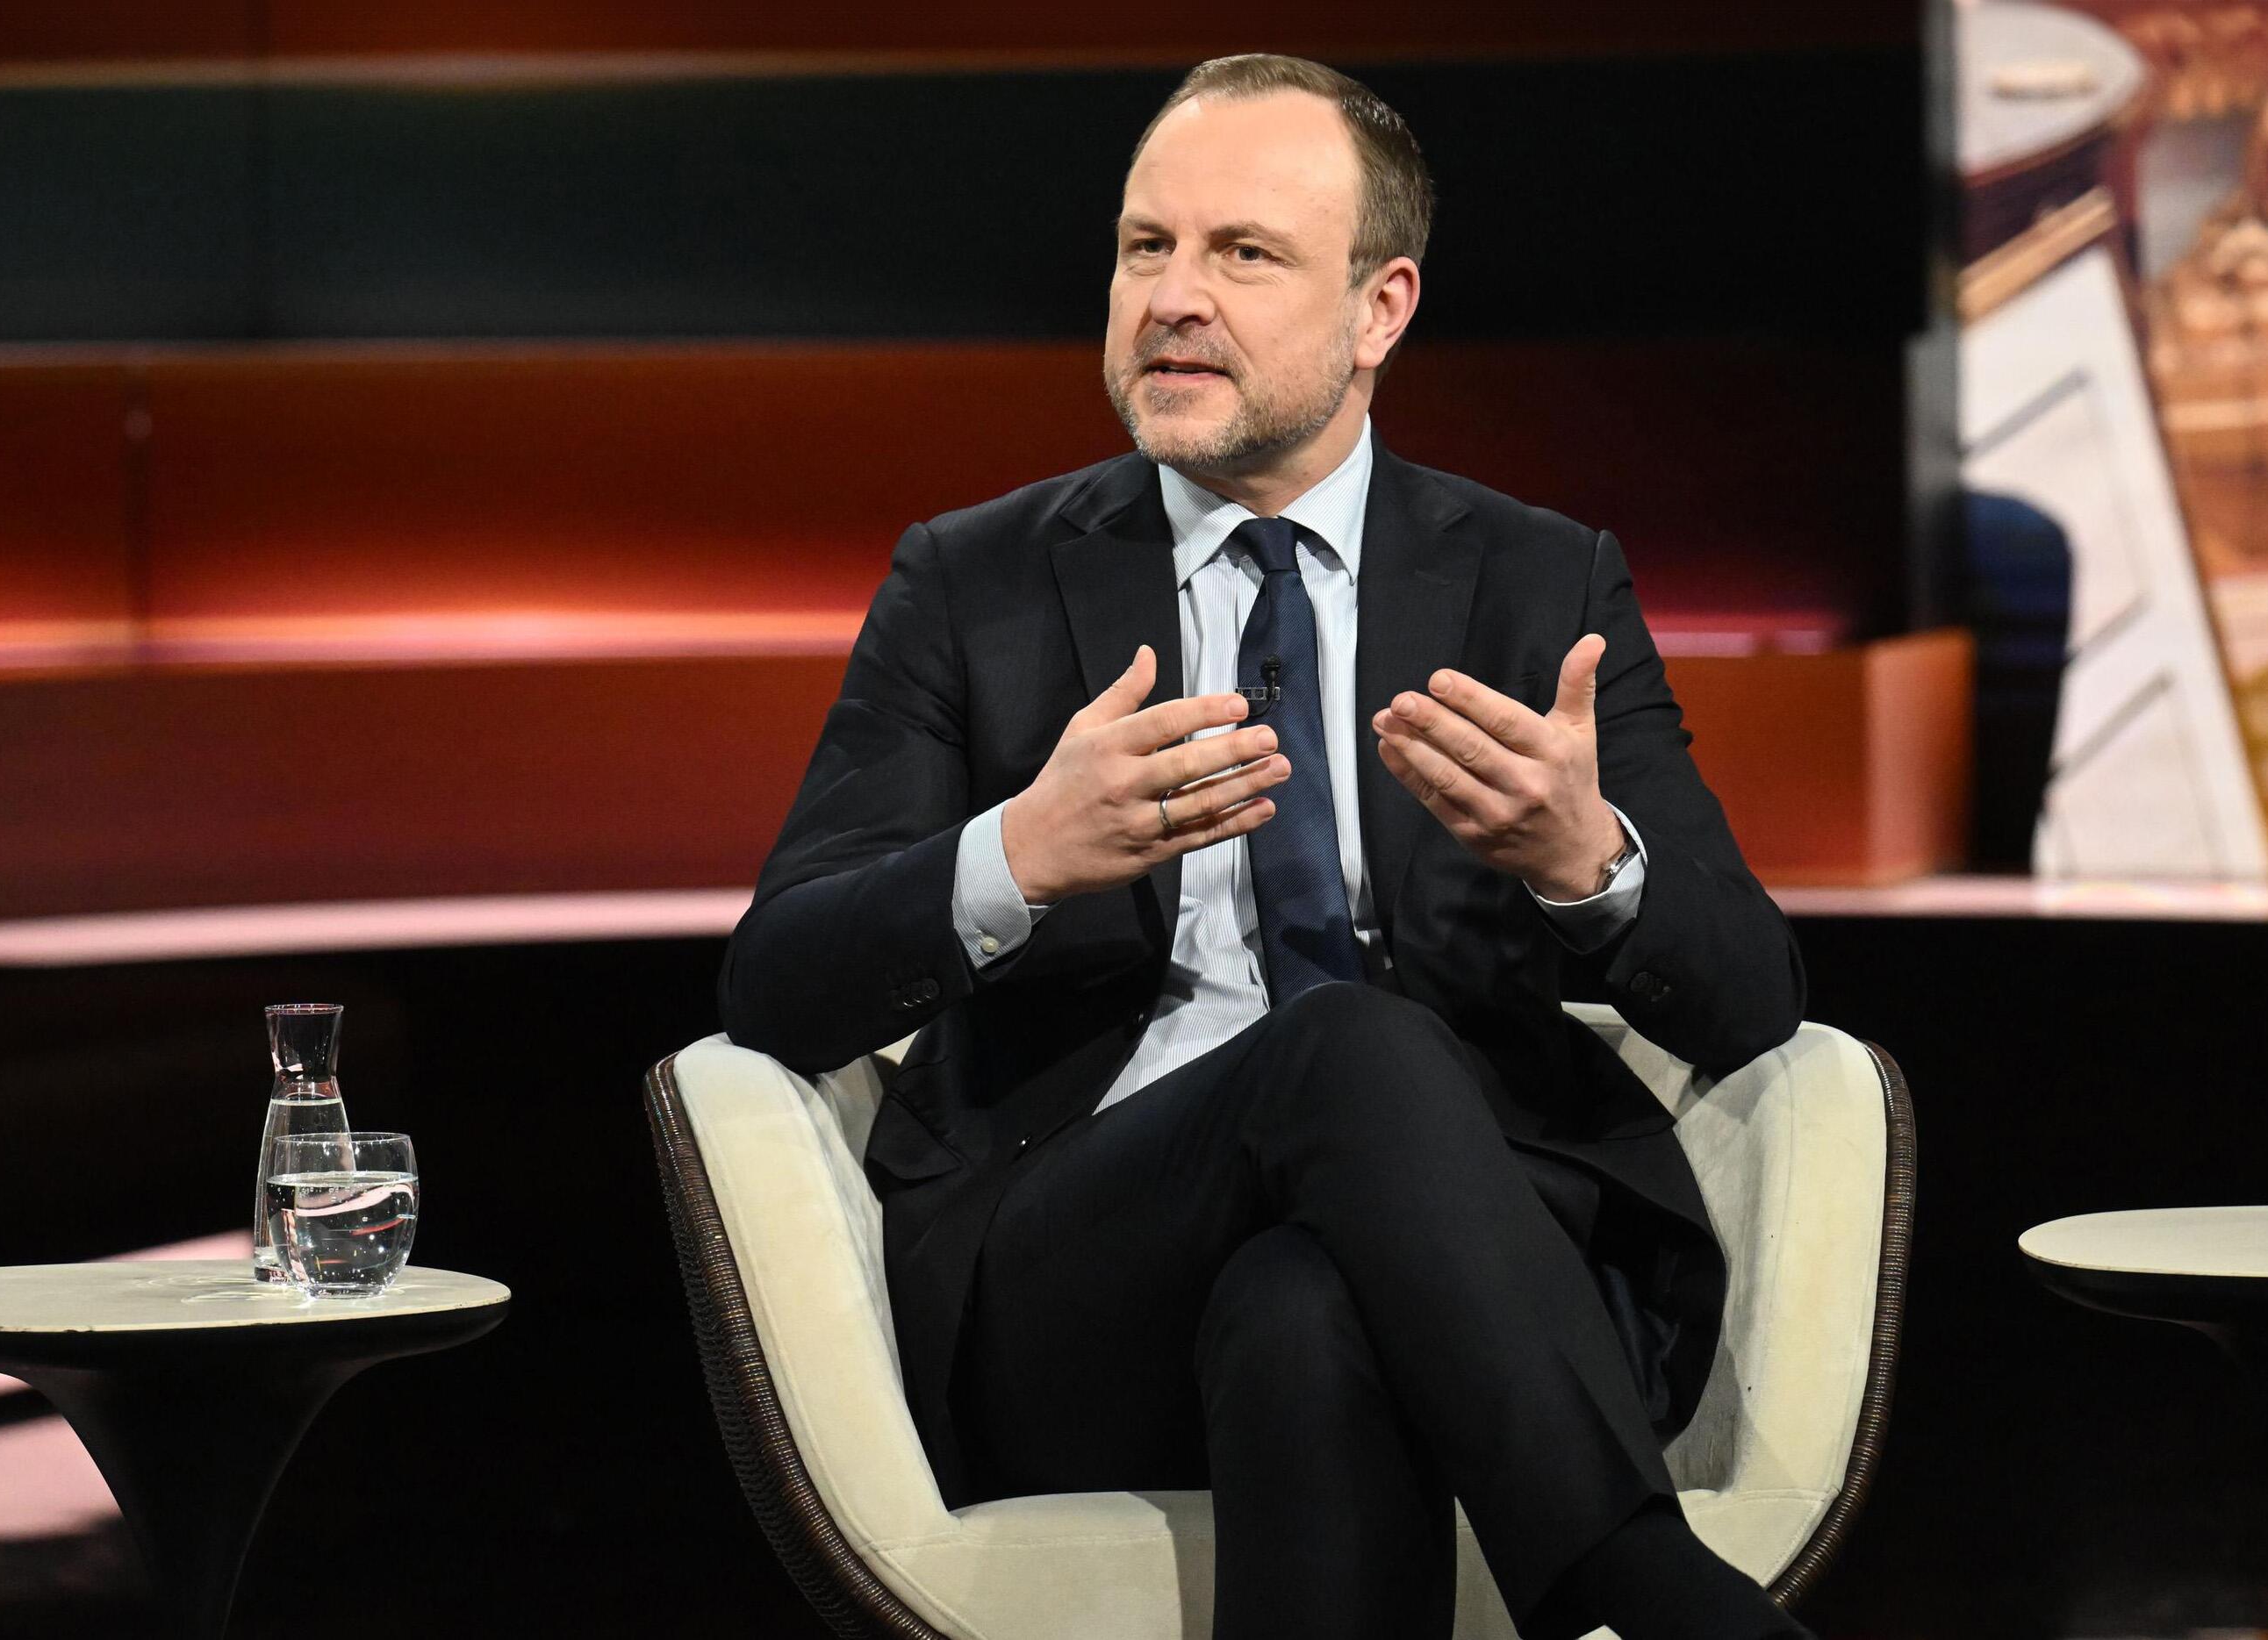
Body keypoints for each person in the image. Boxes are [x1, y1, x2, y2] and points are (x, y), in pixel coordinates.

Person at [721, 54, 1809, 1640]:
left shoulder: (1539, 583)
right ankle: (1648, 1586)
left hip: (1473, 1266)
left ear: (1380, 308)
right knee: (1343, 1044)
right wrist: (1018, 854)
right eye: (1145, 246)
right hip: (1080, 1269)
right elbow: (775, 983)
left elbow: (1752, 994)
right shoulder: (974, 582)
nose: (1173, 296)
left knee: (1308, 1309)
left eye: (1243, 253)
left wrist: (1589, 861)